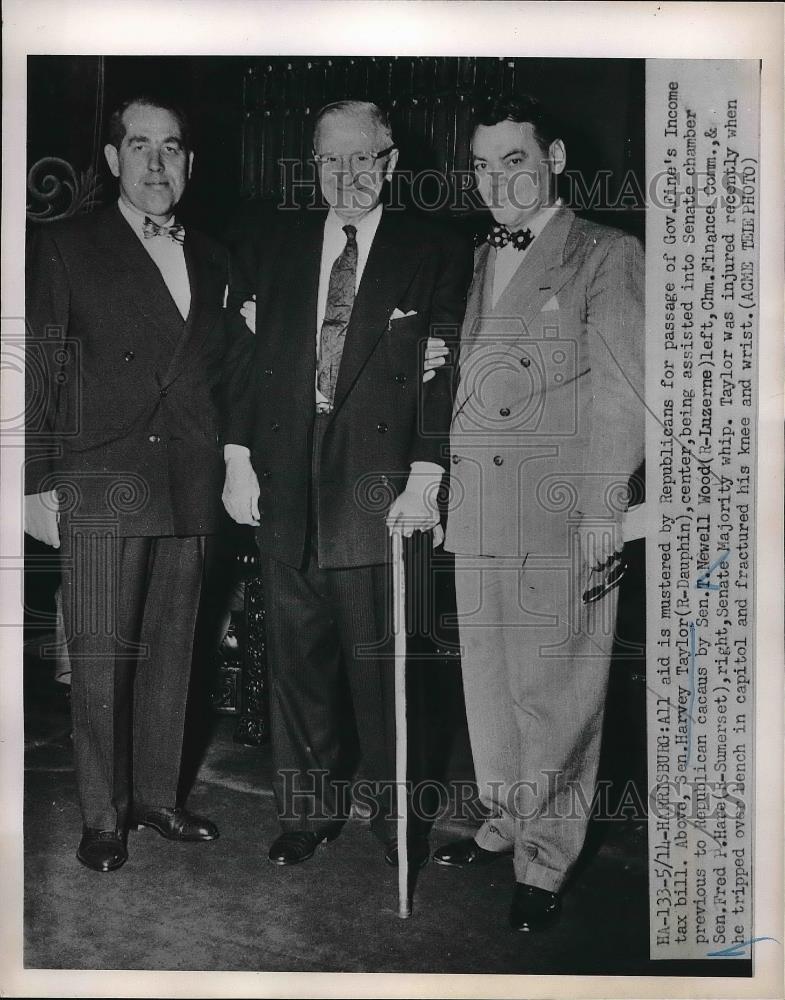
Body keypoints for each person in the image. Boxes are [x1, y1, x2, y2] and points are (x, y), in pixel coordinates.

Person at [222, 100, 471, 867]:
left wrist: (427, 473)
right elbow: (241, 356)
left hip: (379, 489)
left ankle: (398, 821)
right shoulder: (276, 244)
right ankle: (306, 810)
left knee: (384, 665)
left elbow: (448, 365)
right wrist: (235, 457)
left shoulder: (434, 249)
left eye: (363, 159)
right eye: (332, 160)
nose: (347, 176)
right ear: (314, 165)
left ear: (390, 163)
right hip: (285, 481)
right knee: (297, 660)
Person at [430, 95, 645, 931]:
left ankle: (545, 859)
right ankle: (505, 818)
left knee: (556, 689)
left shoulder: (604, 251)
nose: (496, 182)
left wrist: (603, 506)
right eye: (481, 166)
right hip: (481, 509)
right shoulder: (483, 254)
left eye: (512, 161)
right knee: (488, 686)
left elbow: (623, 393)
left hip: (560, 512)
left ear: (551, 155)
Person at [24, 95, 244, 872]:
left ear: (190, 163)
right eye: (140, 146)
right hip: (98, 476)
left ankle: (157, 796)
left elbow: (231, 371)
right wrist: (30, 481)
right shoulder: (64, 244)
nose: (157, 162)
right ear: (113, 160)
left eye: (172, 148)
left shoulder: (217, 257)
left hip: (189, 476)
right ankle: (102, 814)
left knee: (174, 652)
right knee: (98, 653)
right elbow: (37, 365)